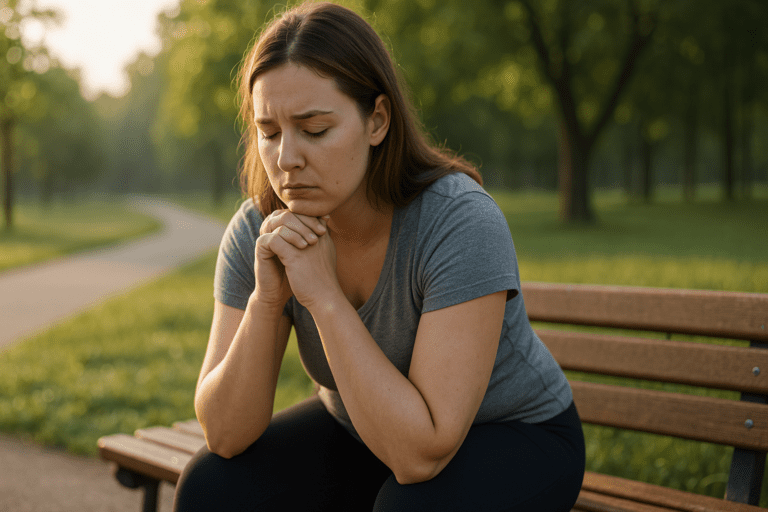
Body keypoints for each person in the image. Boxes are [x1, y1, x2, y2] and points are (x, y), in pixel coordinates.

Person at [173, 2, 585, 511]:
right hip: (364, 429)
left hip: (516, 433)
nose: (286, 159)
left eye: (315, 129)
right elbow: (225, 433)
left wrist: (324, 297)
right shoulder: (258, 231)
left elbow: (420, 455)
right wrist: (267, 299)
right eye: (270, 132)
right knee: (211, 485)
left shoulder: (458, 222)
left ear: (378, 120)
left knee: (408, 508)